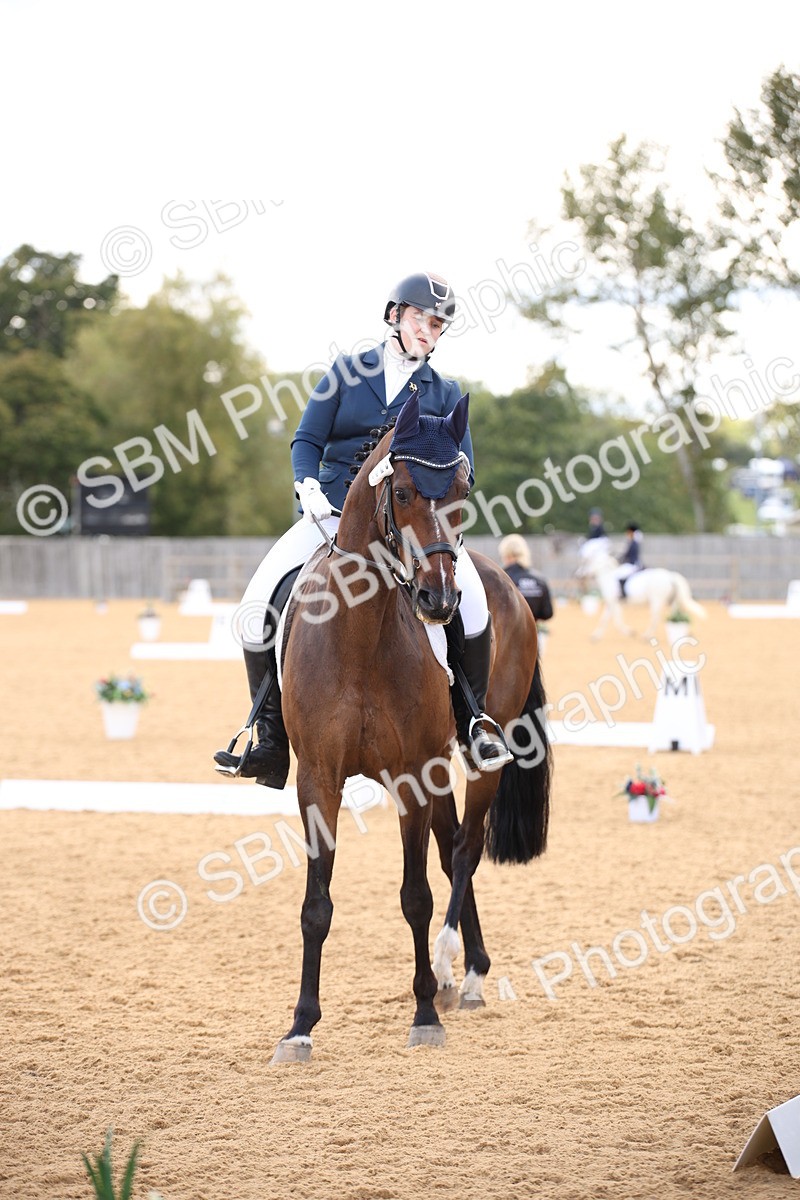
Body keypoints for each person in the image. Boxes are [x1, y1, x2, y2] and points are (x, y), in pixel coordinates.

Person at [214, 271, 513, 785]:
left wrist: (446, 491)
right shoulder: (347, 373)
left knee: (474, 603)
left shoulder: (444, 392)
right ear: (395, 315)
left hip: (411, 525)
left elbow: (466, 464)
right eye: (420, 318)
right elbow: (307, 439)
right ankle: (269, 738)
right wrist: (308, 487)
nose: (427, 330)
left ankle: (473, 723)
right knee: (257, 601)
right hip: (331, 513)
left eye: (437, 325)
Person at [498, 534, 554, 623]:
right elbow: (547, 613)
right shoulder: (540, 580)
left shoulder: (501, 579)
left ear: (506, 555)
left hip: (508, 629)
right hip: (533, 629)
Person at [614, 522, 644, 595]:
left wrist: (618, 560)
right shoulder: (633, 542)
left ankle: (621, 593)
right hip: (633, 563)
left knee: (616, 575)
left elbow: (626, 555)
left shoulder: (633, 543)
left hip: (632, 564)